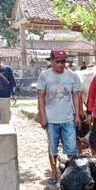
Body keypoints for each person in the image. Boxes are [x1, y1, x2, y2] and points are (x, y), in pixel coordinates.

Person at [37, 49, 81, 182]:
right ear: (51, 61)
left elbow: (75, 95)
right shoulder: (44, 76)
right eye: (58, 62)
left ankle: (71, 172)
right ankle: (54, 171)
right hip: (51, 118)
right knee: (52, 147)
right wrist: (42, 116)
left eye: (63, 62)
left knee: (71, 148)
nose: (61, 65)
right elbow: (40, 96)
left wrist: (77, 115)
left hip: (68, 117)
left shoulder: (72, 76)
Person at [0, 51, 17, 124]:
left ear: (1, 59)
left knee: (5, 119)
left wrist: (14, 94)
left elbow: (12, 82)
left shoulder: (7, 69)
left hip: (5, 97)